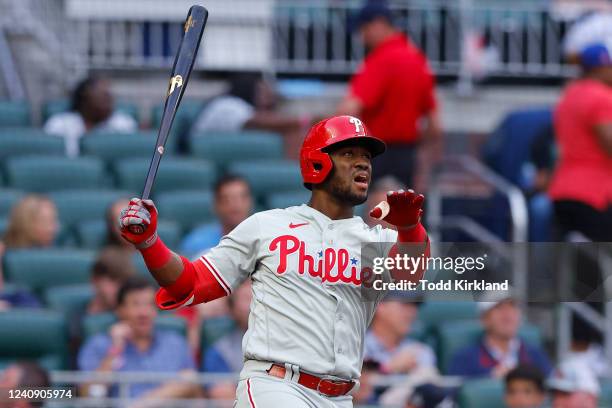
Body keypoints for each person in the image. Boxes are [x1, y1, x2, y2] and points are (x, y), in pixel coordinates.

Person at [118, 115, 429, 407]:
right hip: (277, 386)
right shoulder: (268, 226)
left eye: (367, 156)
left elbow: (410, 277)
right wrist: (149, 243)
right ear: (317, 163)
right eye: (348, 153)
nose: (363, 162)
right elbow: (191, 282)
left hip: (340, 397)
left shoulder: (376, 243)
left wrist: (410, 228)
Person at [337, 1, 441, 189]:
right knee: (401, 215)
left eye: (364, 29)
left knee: (372, 215)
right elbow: (434, 126)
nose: (362, 37)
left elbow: (347, 111)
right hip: (407, 155)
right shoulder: (418, 60)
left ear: (379, 23)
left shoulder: (380, 59)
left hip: (376, 155)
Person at [78, 277, 201, 401]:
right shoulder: (99, 344)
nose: (144, 313)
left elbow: (196, 391)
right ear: (120, 310)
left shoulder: (175, 343)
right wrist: (115, 350)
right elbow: (87, 394)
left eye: (149, 304)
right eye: (136, 304)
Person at [548, 42, 612, 241]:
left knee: (578, 265)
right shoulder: (601, 97)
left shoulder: (570, 94)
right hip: (596, 193)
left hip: (563, 189)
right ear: (602, 68)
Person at [191, 72, 310, 159]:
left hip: (224, 149)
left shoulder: (244, 106)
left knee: (291, 133)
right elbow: (258, 122)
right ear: (247, 89)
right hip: (200, 150)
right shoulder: (228, 103)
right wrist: (304, 121)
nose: (267, 97)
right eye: (261, 92)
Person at [448, 296, 552, 378]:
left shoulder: (535, 355)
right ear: (484, 319)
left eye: (513, 306)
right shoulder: (464, 358)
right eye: (499, 307)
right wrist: (490, 380)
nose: (508, 314)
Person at [44, 76, 137, 157]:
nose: (108, 102)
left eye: (109, 97)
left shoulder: (123, 124)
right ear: (84, 96)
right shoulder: (59, 124)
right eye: (103, 97)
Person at [0, 195, 58, 309]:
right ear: (27, 224)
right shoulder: (3, 255)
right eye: (47, 222)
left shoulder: (54, 259)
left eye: (54, 221)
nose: (54, 228)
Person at [180, 175, 253, 259]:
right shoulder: (195, 243)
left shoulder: (265, 241)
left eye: (242, 198)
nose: (236, 205)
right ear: (215, 205)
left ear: (251, 202)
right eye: (227, 199)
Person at [202, 281, 252, 400]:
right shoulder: (220, 351)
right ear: (232, 309)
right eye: (246, 298)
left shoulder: (284, 343)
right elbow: (222, 396)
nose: (253, 304)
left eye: (257, 297)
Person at [87, 247, 136, 315]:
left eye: (123, 282)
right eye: (113, 280)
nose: (120, 288)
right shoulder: (74, 314)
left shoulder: (133, 319)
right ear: (95, 280)